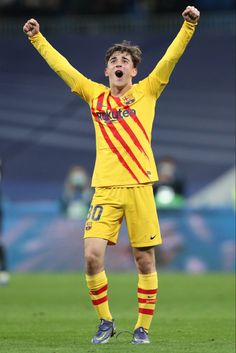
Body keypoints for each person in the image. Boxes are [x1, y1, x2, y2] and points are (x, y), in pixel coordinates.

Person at [23, 5, 200, 344]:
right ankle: (105, 321)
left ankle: (142, 328)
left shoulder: (146, 92)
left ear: (134, 70)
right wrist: (37, 38)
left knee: (145, 260)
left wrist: (188, 26)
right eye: (114, 60)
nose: (119, 63)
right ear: (106, 70)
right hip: (104, 189)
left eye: (125, 60)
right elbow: (64, 69)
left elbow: (170, 59)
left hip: (139, 187)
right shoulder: (95, 96)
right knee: (91, 257)